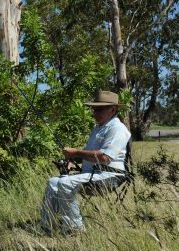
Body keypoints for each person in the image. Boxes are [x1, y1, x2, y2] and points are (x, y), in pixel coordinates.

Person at [39, 90, 131, 234]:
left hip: (110, 176)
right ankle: (47, 225)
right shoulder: (97, 129)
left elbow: (104, 157)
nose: (94, 113)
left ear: (113, 110)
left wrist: (75, 152)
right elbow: (89, 155)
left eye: (99, 109)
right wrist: (72, 159)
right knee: (53, 182)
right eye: (93, 109)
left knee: (65, 183)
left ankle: (74, 228)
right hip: (91, 174)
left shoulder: (118, 129)